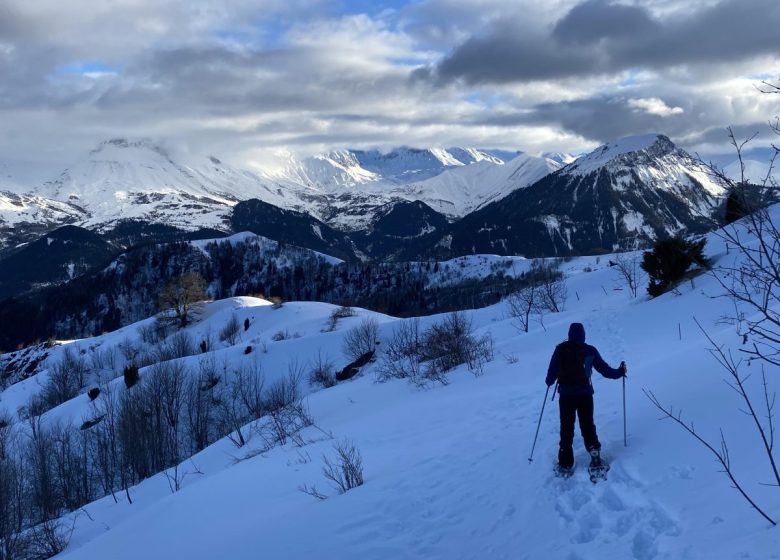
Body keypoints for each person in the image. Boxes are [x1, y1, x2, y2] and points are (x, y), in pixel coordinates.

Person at [546, 322, 626, 470]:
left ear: (569, 335)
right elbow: (605, 371)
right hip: (585, 395)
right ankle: (594, 454)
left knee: (566, 427)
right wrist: (620, 372)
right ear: (583, 335)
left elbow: (549, 378)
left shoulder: (560, 350)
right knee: (587, 425)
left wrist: (551, 380)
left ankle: (565, 462)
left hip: (566, 396)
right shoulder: (589, 350)